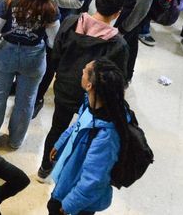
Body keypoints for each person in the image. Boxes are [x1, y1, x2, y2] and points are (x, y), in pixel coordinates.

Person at [38, 0, 128, 181]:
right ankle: (71, 173)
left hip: (64, 88)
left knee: (57, 128)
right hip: (93, 99)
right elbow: (117, 79)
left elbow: (55, 56)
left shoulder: (71, 22)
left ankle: (45, 166)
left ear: (95, 1)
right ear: (117, 13)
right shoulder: (118, 44)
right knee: (86, 135)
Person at [0, 0, 59, 150]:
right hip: (33, 56)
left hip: (6, 53)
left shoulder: (7, 1)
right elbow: (53, 40)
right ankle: (15, 140)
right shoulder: (50, 7)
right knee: (26, 101)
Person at [47, 59, 127, 215]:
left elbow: (93, 180)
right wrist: (60, 144)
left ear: (90, 85)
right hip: (68, 179)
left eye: (85, 70)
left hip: (79, 203)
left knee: (53, 208)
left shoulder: (106, 137)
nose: (81, 71)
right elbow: (77, 126)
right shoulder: (92, 104)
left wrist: (69, 205)